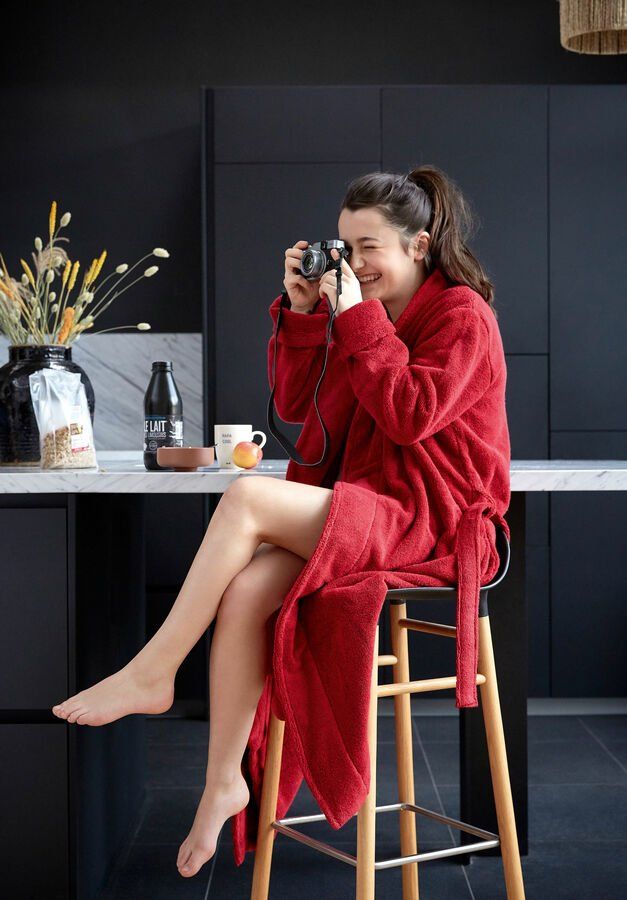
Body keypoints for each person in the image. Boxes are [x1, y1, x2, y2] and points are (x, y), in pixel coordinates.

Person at [51, 165, 508, 880]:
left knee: (246, 499)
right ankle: (222, 782)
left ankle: (153, 670)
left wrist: (355, 320)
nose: (354, 264)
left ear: (419, 244)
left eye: (369, 248)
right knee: (245, 592)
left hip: (434, 516)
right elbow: (299, 408)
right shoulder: (366, 311)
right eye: (345, 247)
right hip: (369, 505)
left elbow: (409, 414)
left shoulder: (462, 316)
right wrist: (304, 315)